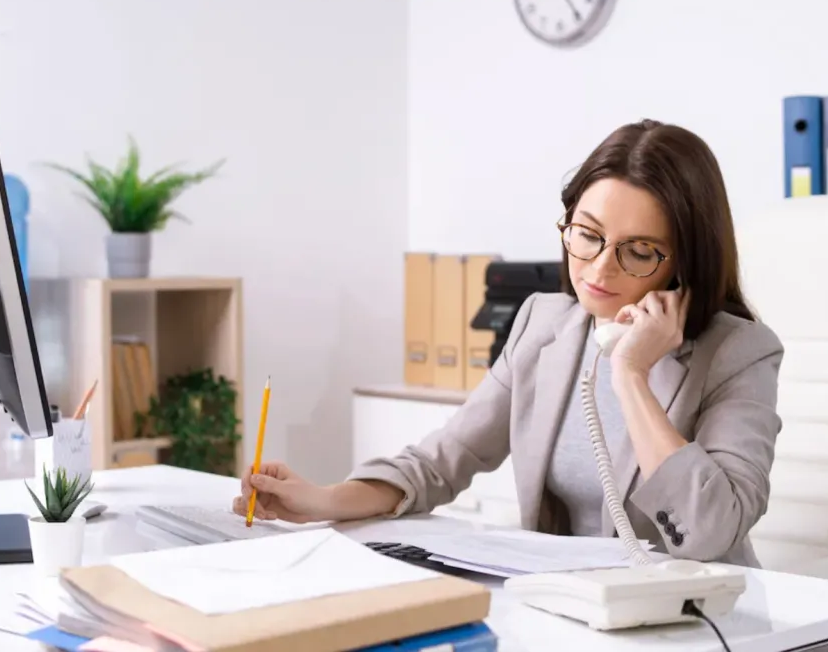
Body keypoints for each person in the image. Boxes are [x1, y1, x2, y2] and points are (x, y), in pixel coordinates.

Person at [231, 119, 784, 567]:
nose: (598, 267)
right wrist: (326, 500)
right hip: (568, 609)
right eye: (587, 234)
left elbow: (711, 532)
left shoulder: (739, 353)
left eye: (637, 251)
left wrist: (632, 376)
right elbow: (442, 462)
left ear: (683, 263)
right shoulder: (544, 324)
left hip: (699, 625)